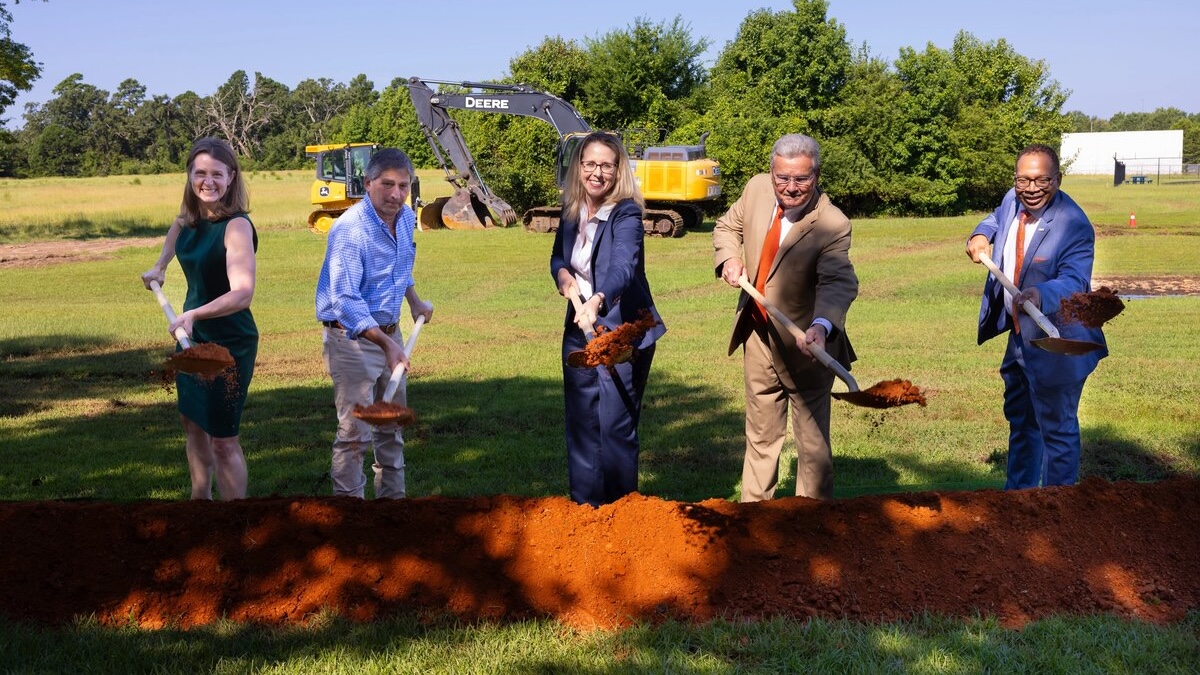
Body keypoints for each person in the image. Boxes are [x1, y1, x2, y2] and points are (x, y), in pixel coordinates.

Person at [713, 133, 858, 502]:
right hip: (758, 334)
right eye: (783, 178)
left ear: (817, 175)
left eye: (801, 179)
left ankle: (812, 528)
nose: (790, 188)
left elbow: (837, 282)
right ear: (771, 172)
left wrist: (822, 326)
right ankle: (755, 521)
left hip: (807, 346)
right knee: (761, 437)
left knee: (812, 447)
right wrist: (729, 257)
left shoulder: (832, 223)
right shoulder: (757, 190)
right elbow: (728, 227)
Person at [966, 144, 1107, 489]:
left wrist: (1040, 293)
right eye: (1023, 180)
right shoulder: (1012, 200)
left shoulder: (1074, 225)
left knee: (1057, 430)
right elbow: (996, 218)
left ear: (1057, 179)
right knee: (1022, 423)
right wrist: (981, 235)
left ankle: (1060, 512)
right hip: (1019, 339)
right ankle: (1021, 504)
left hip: (1057, 339)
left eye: (1041, 180)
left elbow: (1075, 280)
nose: (1031, 188)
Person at [551, 131, 667, 507]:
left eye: (606, 165)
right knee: (583, 426)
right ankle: (585, 512)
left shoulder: (627, 213)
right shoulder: (572, 210)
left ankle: (621, 517)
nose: (597, 173)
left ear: (619, 170)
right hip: (579, 330)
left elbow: (624, 266)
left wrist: (599, 298)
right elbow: (558, 257)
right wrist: (562, 276)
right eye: (589, 164)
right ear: (579, 167)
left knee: (615, 428)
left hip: (622, 334)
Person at [141, 137, 258, 501]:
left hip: (229, 340)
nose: (209, 181)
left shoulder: (237, 226)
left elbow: (242, 293)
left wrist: (192, 313)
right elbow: (171, 248)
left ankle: (236, 520)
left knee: (223, 438)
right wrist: (158, 268)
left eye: (217, 174)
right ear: (190, 176)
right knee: (192, 424)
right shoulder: (185, 221)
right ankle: (199, 504)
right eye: (201, 173)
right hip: (189, 335)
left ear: (232, 177)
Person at [315, 148, 434, 499]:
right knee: (355, 433)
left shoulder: (406, 217)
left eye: (403, 185)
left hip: (390, 335)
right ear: (367, 183)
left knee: (391, 425)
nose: (396, 194)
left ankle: (392, 510)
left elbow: (399, 267)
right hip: (352, 340)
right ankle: (350, 516)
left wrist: (413, 301)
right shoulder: (350, 230)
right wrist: (388, 345)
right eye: (387, 184)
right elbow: (345, 302)